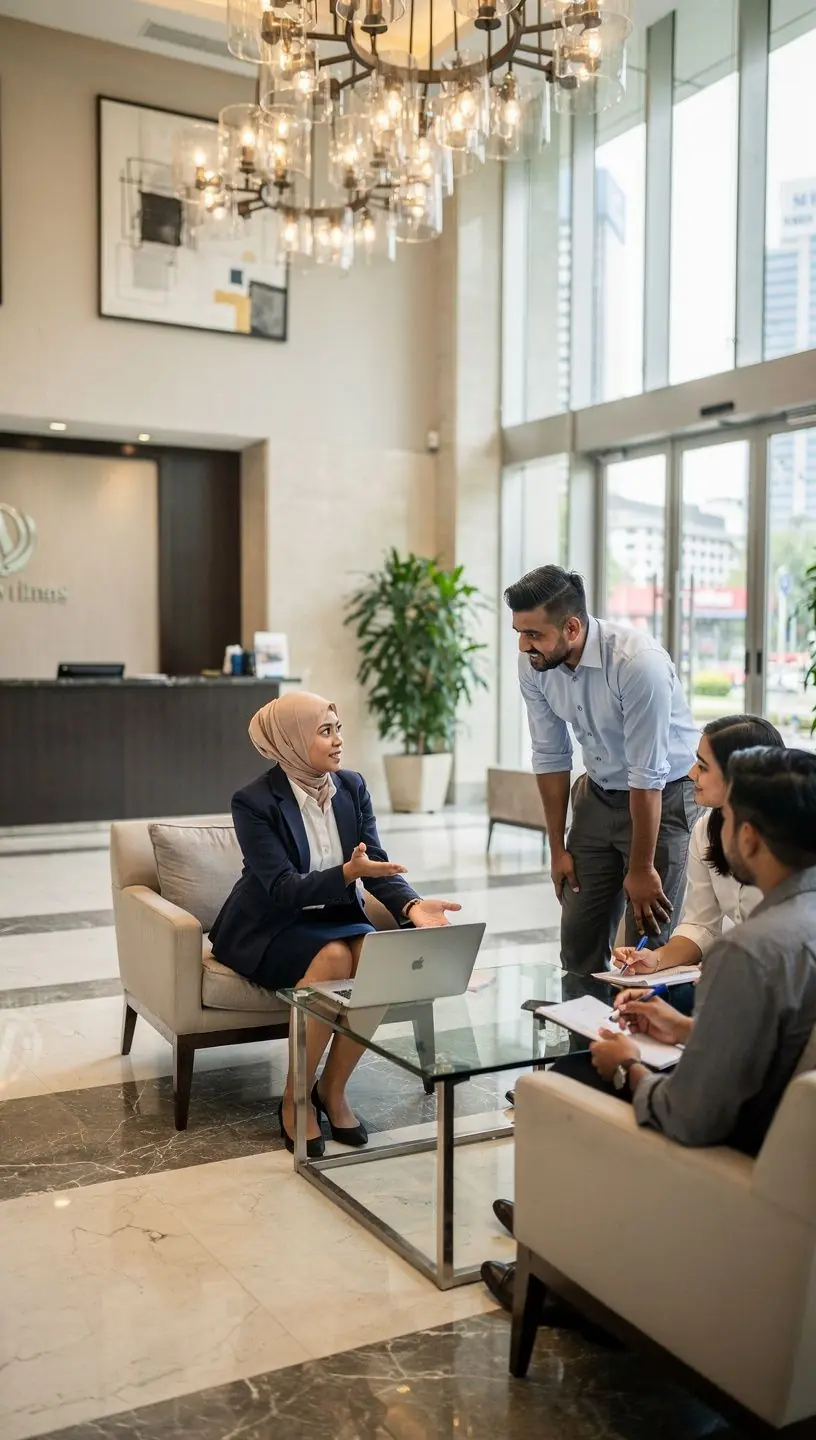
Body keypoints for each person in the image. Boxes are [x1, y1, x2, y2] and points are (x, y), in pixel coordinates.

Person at [481, 746, 816, 1312]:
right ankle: (552, 1218)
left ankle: (564, 1282)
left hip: (737, 1147)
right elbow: (779, 1037)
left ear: (752, 838)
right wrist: (684, 1027)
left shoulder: (749, 953)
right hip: (782, 1128)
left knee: (573, 1079)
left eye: (729, 819)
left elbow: (690, 1116)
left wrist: (628, 1066)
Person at [210, 692, 460, 1158]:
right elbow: (282, 888)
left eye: (338, 728)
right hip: (269, 923)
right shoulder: (253, 801)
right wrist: (347, 874)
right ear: (290, 741)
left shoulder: (352, 787)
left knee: (373, 954)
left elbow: (375, 864)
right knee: (333, 956)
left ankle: (333, 1088)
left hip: (334, 916)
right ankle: (295, 1097)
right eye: (325, 731)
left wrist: (411, 907)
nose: (339, 740)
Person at [505, 566, 700, 994]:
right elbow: (551, 754)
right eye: (519, 633)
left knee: (646, 949)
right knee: (578, 942)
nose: (523, 645)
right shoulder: (534, 665)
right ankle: (582, 1054)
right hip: (597, 793)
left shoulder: (637, 664)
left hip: (663, 797)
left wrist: (643, 866)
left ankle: (637, 1056)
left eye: (533, 634)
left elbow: (647, 773)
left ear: (571, 627)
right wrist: (557, 849)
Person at [612, 715, 785, 1007]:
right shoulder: (706, 829)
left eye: (703, 767)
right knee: (650, 1001)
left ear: (740, 777)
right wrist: (655, 959)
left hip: (784, 984)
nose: (692, 774)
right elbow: (701, 925)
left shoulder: (792, 843)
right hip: (745, 976)